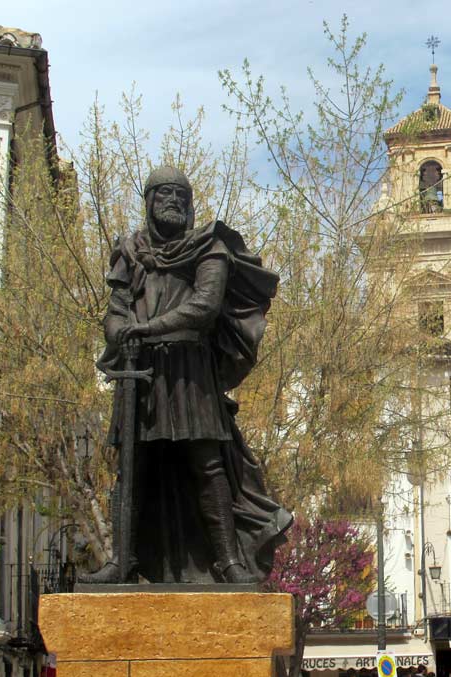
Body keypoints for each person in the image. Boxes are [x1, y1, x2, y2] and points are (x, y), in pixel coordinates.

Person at [80, 165, 292, 584]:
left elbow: (205, 307)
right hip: (138, 372)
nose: (173, 201)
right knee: (133, 467)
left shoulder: (208, 247)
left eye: (180, 194)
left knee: (207, 464)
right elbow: (116, 310)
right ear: (149, 201)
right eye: (164, 194)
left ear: (190, 204)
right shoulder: (129, 250)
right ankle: (123, 561)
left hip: (190, 371)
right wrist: (120, 332)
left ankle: (229, 561)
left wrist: (144, 329)